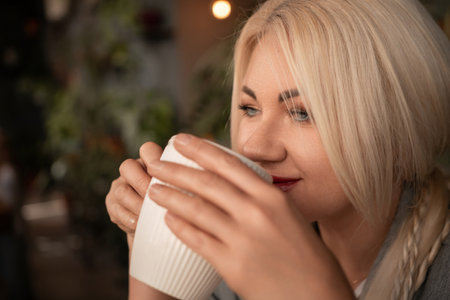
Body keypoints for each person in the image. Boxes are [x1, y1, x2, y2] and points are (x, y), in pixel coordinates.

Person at [105, 0, 450, 299]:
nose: (254, 146)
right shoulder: (236, 249)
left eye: (301, 113)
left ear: (397, 123)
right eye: (249, 109)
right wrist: (150, 248)